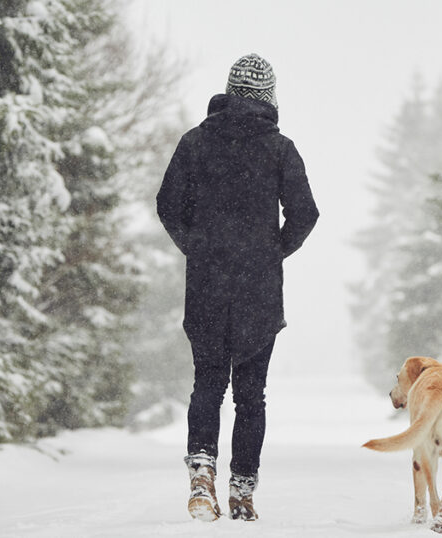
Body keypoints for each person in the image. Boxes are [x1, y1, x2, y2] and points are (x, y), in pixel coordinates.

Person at [156, 53, 319, 522]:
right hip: (259, 290)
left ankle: (201, 478)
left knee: (207, 382)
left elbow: (168, 205)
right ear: (269, 98)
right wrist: (271, 253)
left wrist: (198, 246)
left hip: (206, 284)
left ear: (228, 92)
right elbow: (305, 213)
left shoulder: (195, 142)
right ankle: (242, 492)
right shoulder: (280, 149)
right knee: (252, 393)